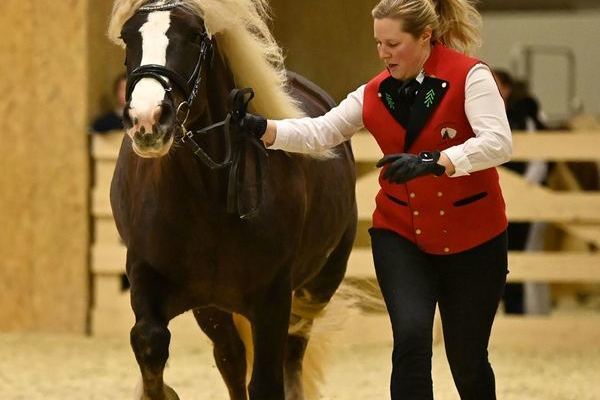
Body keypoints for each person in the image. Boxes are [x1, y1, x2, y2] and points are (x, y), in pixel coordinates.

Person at [242, 0, 512, 398]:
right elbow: (320, 132)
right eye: (378, 44)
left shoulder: (471, 76)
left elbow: (499, 143)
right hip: (401, 235)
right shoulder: (372, 92)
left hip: (475, 239)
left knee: (467, 359)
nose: (383, 53)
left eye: (393, 44)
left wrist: (436, 161)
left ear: (424, 37)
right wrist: (261, 128)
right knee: (411, 340)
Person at [492, 69, 551, 315]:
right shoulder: (483, 117)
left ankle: (530, 316)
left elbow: (539, 160)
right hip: (495, 201)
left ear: (506, 88)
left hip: (525, 200)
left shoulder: (524, 117)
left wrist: (523, 192)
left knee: (526, 256)